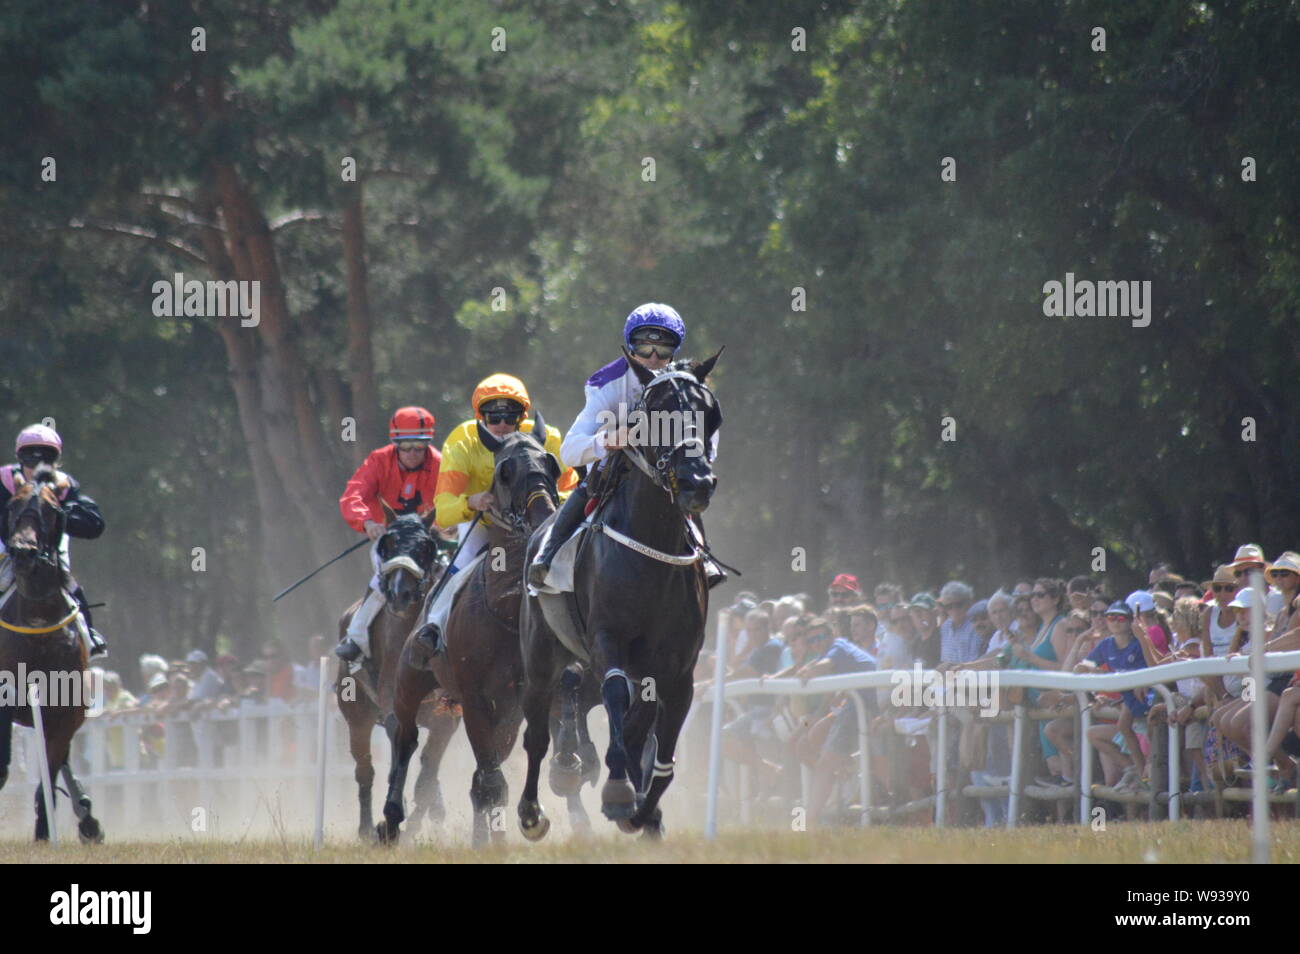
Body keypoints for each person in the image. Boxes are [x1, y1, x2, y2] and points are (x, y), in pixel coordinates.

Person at [527, 303, 723, 588]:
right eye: (645, 349)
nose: (653, 358)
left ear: (675, 352)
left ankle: (704, 558)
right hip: (614, 465)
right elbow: (569, 451)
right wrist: (608, 440)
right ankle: (547, 554)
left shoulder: (686, 384)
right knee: (590, 485)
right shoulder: (607, 384)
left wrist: (697, 461)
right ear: (631, 348)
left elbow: (707, 437)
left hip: (665, 466)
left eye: (663, 350)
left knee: (687, 482)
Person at [412, 374, 575, 655]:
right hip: (485, 524)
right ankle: (434, 627)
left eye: (510, 417)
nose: (501, 425)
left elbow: (572, 493)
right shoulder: (462, 440)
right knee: (462, 562)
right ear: (480, 416)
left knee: (572, 562)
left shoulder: (549, 438)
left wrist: (545, 502)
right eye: (493, 417)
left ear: (522, 415)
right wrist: (471, 501)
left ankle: (581, 633)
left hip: (537, 523)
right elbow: (443, 512)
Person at [335, 407, 441, 665]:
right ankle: (356, 638)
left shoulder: (439, 463)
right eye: (407, 447)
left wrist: (444, 525)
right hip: (390, 541)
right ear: (396, 444)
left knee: (447, 575)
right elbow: (354, 495)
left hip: (426, 540)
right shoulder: (378, 460)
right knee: (386, 576)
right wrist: (367, 522)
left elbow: (450, 499)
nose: (414, 453)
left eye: (420, 447)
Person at [0, 423, 107, 657]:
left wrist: (57, 513)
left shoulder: (64, 485)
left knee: (67, 579)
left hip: (47, 545)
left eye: (46, 457)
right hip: (7, 542)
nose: (37, 465)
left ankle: (90, 635)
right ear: (20, 458)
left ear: (56, 460)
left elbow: (94, 524)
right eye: (30, 458)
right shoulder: (5, 479)